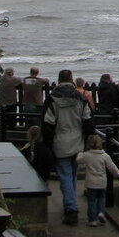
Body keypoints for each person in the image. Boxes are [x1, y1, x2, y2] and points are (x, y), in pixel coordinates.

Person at [42, 69, 95, 226]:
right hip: (77, 141)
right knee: (71, 174)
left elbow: (47, 124)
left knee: (65, 175)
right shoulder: (80, 97)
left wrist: (48, 143)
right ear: (71, 80)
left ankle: (71, 208)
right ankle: (70, 203)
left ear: (58, 81)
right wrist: (88, 139)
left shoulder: (52, 99)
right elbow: (88, 120)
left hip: (60, 141)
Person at [77, 134, 119, 226]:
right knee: (101, 198)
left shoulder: (87, 155)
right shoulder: (105, 156)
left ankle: (92, 219)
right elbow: (111, 166)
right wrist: (118, 173)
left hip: (91, 183)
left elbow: (78, 160)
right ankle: (101, 212)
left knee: (92, 200)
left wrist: (80, 153)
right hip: (102, 182)